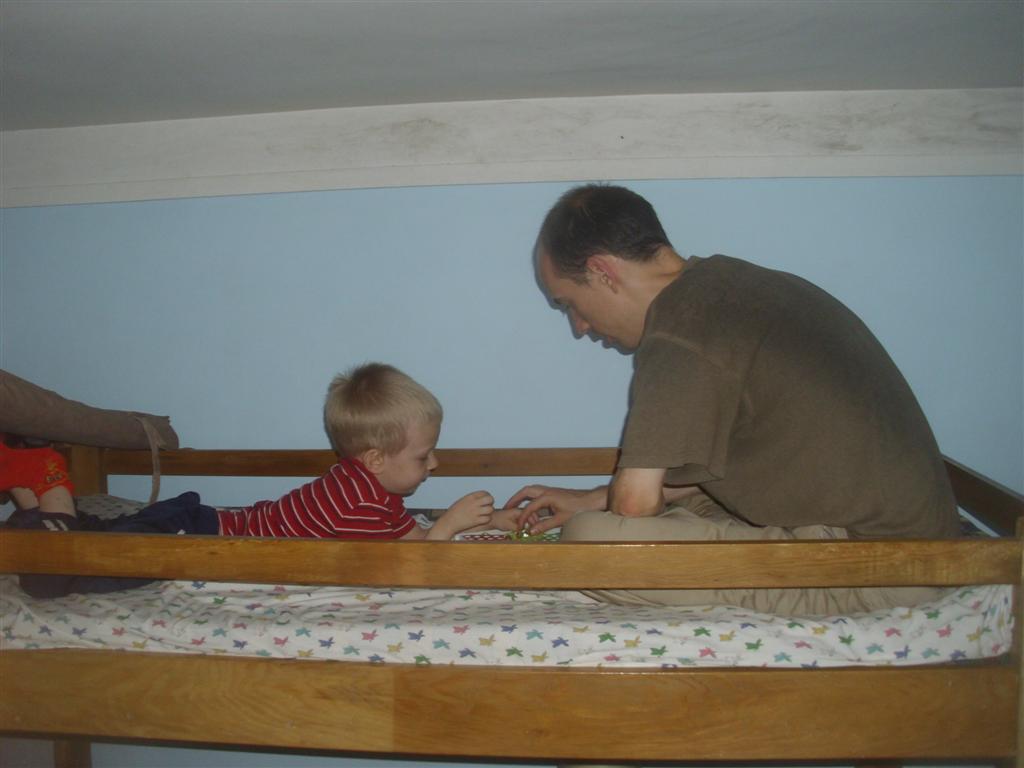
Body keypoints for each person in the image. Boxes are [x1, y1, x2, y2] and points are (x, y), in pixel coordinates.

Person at [507, 184, 960, 616]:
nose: (579, 327)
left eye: (569, 303)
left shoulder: (680, 331)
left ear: (602, 272)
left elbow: (633, 508)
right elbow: (705, 469)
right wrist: (592, 497)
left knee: (590, 541)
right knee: (676, 503)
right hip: (908, 542)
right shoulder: (731, 287)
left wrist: (600, 510)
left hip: (881, 568)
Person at [3, 363, 519, 597]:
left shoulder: (369, 486)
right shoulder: (355, 502)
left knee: (107, 536)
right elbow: (406, 565)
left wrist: (491, 520)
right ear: (376, 459)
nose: (435, 464)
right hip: (197, 536)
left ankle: (53, 515)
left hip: (200, 523)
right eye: (424, 456)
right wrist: (447, 527)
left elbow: (407, 535)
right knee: (93, 570)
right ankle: (38, 532)